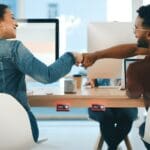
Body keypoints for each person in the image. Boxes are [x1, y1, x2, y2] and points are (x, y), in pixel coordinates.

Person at [0, 4, 83, 142]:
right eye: (12, 18)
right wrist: (72, 56)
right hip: (18, 130)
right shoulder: (14, 49)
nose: (16, 24)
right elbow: (47, 75)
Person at [82, 4, 150, 150]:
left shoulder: (137, 68)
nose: (134, 34)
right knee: (106, 114)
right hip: (104, 103)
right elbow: (135, 49)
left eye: (136, 29)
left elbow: (133, 93)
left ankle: (112, 147)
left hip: (130, 109)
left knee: (133, 121)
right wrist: (93, 74)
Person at [87, 78, 137, 150]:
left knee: (126, 115)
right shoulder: (96, 69)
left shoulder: (128, 69)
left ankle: (112, 146)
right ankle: (113, 146)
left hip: (123, 103)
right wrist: (91, 81)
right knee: (106, 115)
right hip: (100, 102)